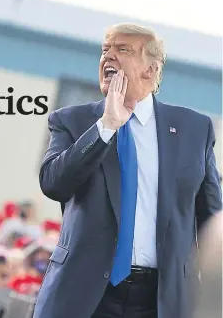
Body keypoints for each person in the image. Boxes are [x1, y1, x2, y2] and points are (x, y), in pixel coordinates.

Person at [34, 23, 222, 318]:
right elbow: (54, 184)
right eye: (105, 50)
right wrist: (105, 127)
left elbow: (212, 218)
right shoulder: (72, 121)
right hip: (84, 296)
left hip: (161, 300)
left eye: (123, 50)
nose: (109, 57)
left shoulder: (194, 129)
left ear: (151, 69)